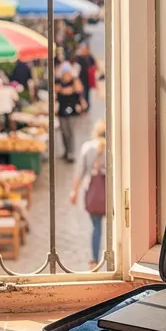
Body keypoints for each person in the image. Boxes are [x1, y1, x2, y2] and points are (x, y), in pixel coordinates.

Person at [70, 120, 107, 271]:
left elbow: (80, 171)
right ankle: (117, 257)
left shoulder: (88, 147)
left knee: (96, 226)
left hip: (93, 193)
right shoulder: (114, 146)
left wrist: (74, 191)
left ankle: (94, 260)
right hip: (111, 193)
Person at [56, 61, 86, 162]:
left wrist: (74, 79)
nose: (67, 75)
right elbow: (58, 90)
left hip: (72, 110)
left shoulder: (74, 81)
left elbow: (79, 89)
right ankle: (66, 151)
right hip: (61, 110)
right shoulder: (59, 81)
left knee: (71, 132)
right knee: (64, 132)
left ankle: (71, 153)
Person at [74, 42, 98, 106]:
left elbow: (95, 65)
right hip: (80, 79)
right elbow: (75, 68)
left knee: (86, 93)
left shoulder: (90, 57)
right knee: (81, 94)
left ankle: (86, 106)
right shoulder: (78, 58)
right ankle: (82, 106)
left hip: (88, 79)